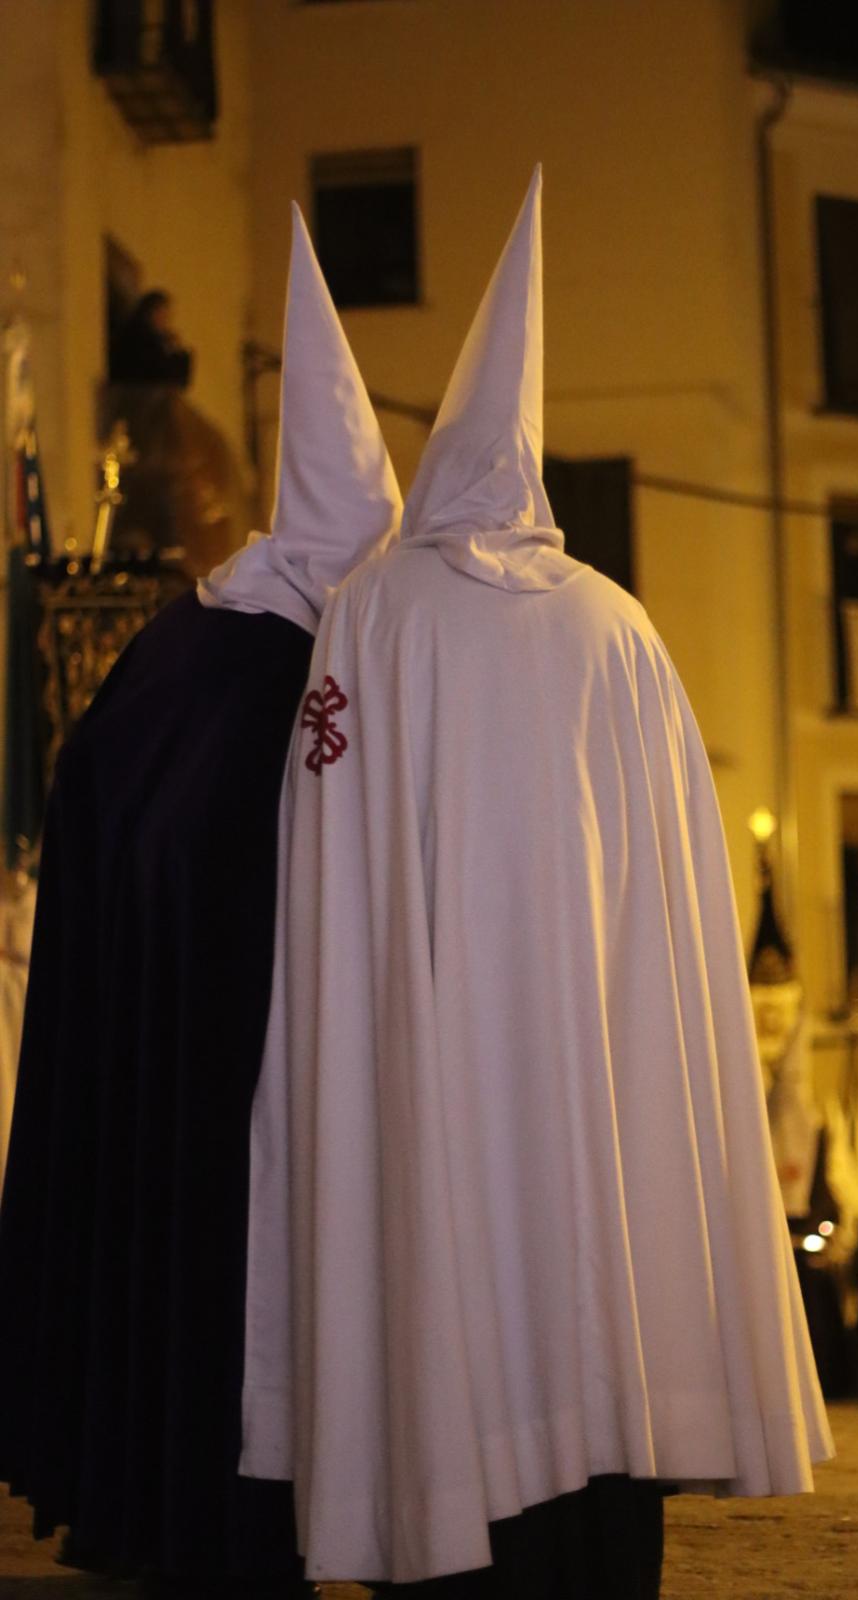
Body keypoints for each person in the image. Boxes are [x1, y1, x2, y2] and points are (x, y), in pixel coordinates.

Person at [241, 167, 832, 1596]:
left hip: (435, 1079)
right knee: (593, 1371)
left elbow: (330, 884)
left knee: (448, 1299)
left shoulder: (372, 616)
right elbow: (678, 917)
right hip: (597, 1103)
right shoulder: (621, 632)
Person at [0, 206, 402, 1595]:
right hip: (252, 1058)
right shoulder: (313, 658)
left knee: (168, 1258)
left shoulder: (181, 646)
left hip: (161, 1047)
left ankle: (142, 1486)